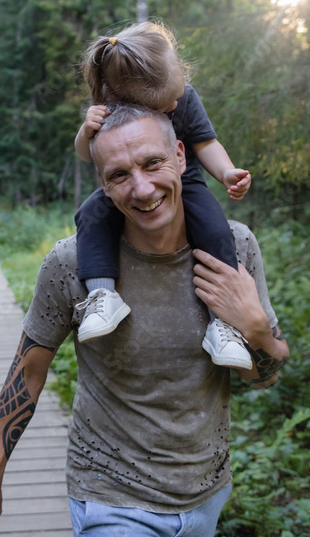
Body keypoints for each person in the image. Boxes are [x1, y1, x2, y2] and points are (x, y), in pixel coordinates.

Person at [0, 104, 289, 536]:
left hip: (206, 496)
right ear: (103, 184)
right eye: (119, 175)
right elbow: (29, 371)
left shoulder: (234, 250)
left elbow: (264, 377)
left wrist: (255, 327)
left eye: (152, 163)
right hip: (109, 497)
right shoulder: (71, 262)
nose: (142, 189)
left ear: (181, 157)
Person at [72, 21, 254, 371]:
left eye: (176, 95)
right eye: (166, 103)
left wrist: (226, 172)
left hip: (185, 179)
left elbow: (206, 143)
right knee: (90, 215)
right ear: (131, 100)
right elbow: (87, 154)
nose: (174, 102)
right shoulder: (109, 106)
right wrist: (86, 131)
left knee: (215, 229)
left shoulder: (183, 97)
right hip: (126, 183)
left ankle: (224, 324)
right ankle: (102, 294)